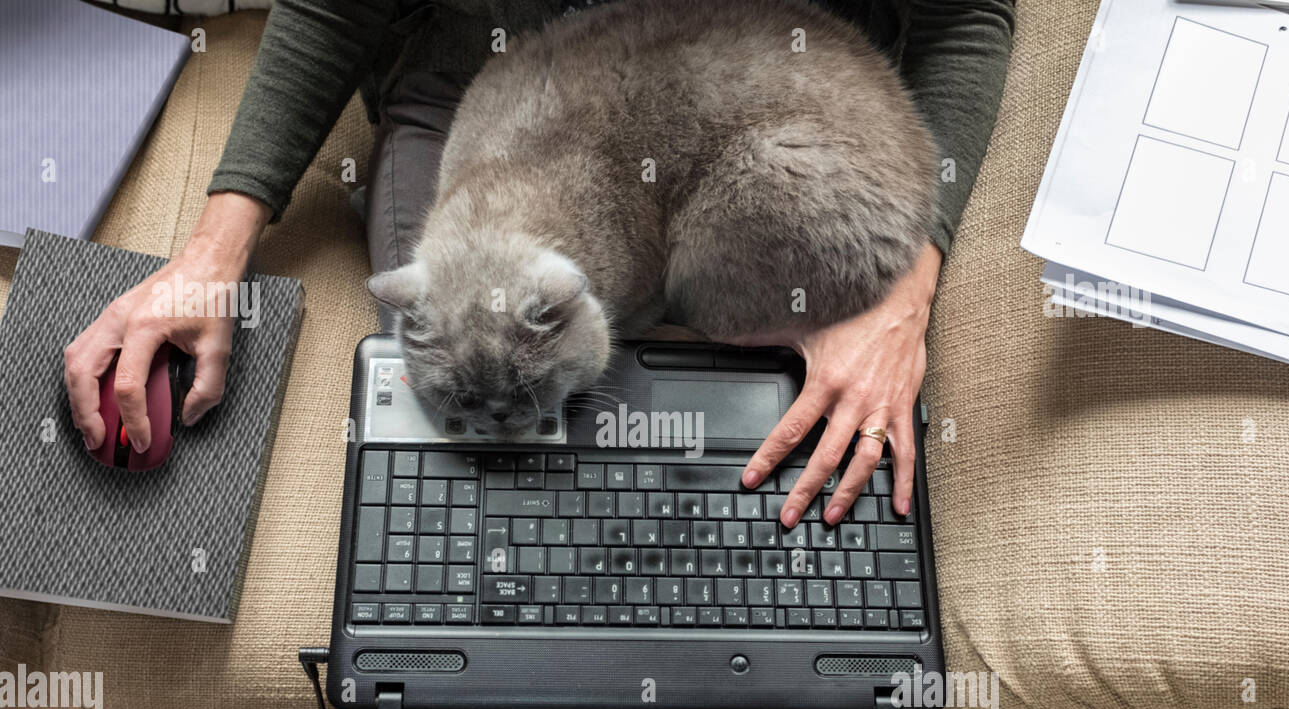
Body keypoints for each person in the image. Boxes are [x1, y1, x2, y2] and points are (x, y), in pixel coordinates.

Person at [63, 0, 1014, 525]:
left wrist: (901, 288)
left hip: (760, 81)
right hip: (496, 79)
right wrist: (209, 254)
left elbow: (965, 16)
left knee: (729, 458)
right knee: (471, 406)